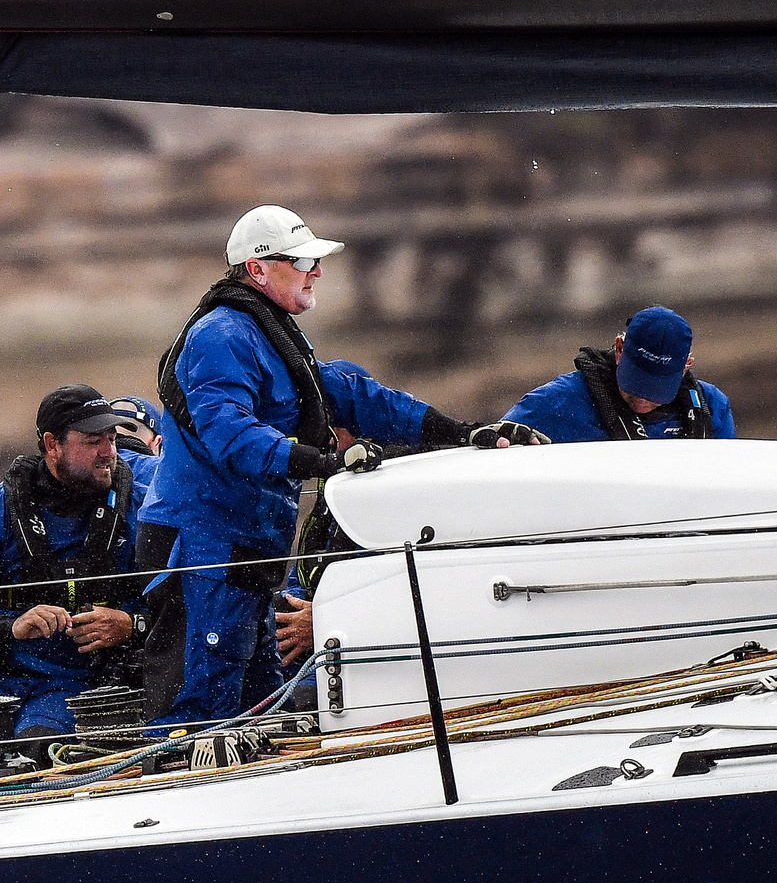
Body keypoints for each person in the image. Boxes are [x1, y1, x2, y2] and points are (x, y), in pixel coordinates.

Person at [145, 205, 538, 725]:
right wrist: (328, 461)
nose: (318, 271)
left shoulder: (269, 333)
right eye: (304, 260)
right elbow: (229, 434)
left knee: (259, 706)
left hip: (244, 546)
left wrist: (463, 433)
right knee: (203, 710)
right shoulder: (224, 334)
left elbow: (354, 396)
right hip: (205, 547)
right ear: (258, 269)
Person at [0, 384, 154, 739]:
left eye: (111, 438)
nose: (109, 452)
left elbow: (190, 604)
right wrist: (10, 628)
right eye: (93, 441)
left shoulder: (144, 509)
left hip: (77, 683)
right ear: (52, 445)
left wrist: (130, 624)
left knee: (37, 745)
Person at [503, 306, 739, 443]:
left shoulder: (713, 408)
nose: (642, 400)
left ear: (686, 366)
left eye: (656, 389)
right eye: (635, 384)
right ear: (619, 349)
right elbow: (492, 449)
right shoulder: (553, 404)